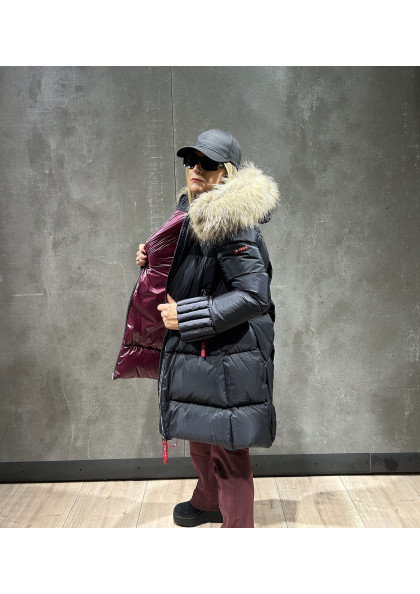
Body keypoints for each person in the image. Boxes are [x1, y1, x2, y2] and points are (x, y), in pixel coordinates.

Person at [114, 129, 279, 528]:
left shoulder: (232, 221)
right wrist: (154, 256)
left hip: (231, 350)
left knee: (229, 446)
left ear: (227, 173)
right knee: (200, 431)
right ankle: (208, 500)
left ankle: (239, 531)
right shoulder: (194, 211)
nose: (195, 169)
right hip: (205, 345)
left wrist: (186, 316)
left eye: (207, 163)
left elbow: (254, 296)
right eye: (191, 160)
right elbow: (198, 268)